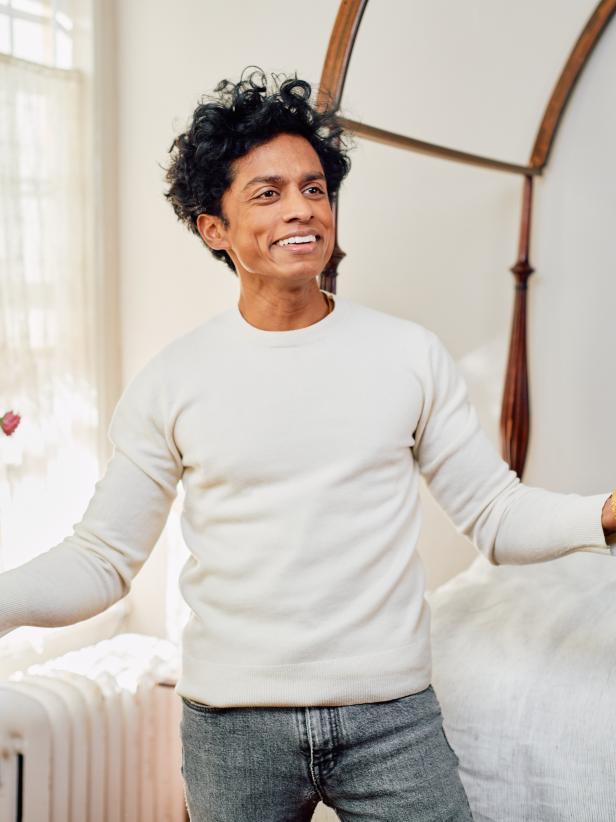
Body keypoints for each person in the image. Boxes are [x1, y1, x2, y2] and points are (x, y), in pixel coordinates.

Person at [1, 68, 615, 822]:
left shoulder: (409, 355)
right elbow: (101, 558)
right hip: (234, 728)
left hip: (390, 717)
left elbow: (496, 513)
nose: (303, 209)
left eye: (315, 188)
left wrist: (606, 513)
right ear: (214, 228)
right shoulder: (172, 380)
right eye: (268, 193)